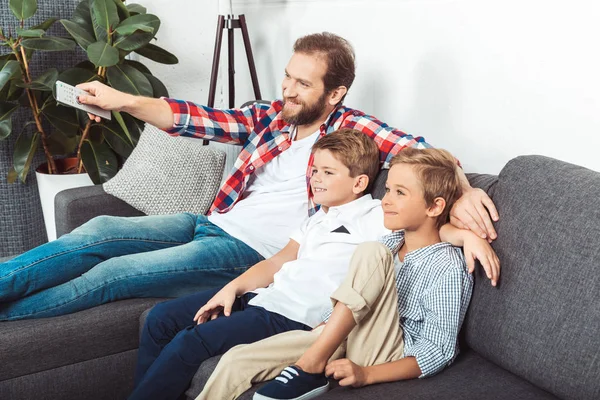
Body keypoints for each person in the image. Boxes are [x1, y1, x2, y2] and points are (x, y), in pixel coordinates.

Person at [0, 32, 498, 321]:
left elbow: (425, 155)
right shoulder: (270, 117)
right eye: (288, 76)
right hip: (214, 223)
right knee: (100, 231)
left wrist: (465, 189)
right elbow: (195, 118)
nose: (289, 89)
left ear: (336, 93)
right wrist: (123, 100)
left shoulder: (354, 131)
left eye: (304, 84)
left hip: (254, 253)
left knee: (113, 275)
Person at [197, 148, 497, 400]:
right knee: (237, 360)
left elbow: (438, 350)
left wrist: (366, 375)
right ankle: (314, 356)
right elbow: (358, 298)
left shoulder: (445, 265)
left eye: (400, 193)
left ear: (435, 207)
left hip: (388, 350)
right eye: (389, 189)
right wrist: (329, 324)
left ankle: (312, 365)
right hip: (348, 336)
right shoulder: (391, 242)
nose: (387, 200)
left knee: (369, 252)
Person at [130, 129, 388, 399]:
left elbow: (426, 232)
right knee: (160, 319)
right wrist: (233, 288)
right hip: (265, 298)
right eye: (315, 171)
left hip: (292, 316)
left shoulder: (376, 216)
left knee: (191, 341)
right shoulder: (317, 218)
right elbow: (278, 260)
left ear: (359, 183)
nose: (316, 179)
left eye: (328, 172)